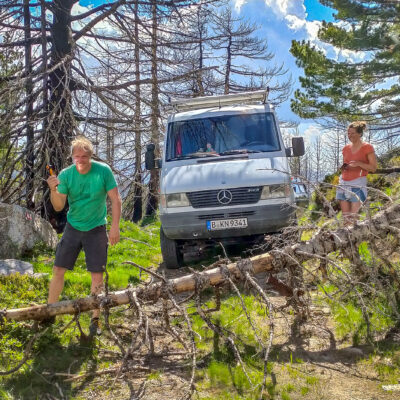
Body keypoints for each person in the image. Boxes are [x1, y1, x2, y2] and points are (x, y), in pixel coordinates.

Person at [44, 136, 122, 335]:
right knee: (58, 268)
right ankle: (49, 312)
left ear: (90, 156)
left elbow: (115, 199)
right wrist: (53, 188)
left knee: (97, 274)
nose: (80, 160)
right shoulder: (66, 174)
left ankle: (95, 319)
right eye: (76, 156)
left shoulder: (103, 171)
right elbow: (59, 205)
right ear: (72, 157)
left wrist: (115, 227)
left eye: (84, 156)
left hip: (96, 228)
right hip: (73, 226)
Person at [336, 121, 377, 225]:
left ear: (360, 133)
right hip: (343, 184)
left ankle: (356, 238)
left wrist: (359, 163)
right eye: (348, 134)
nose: (350, 136)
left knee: (353, 219)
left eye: (353, 133)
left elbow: (373, 168)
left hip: (358, 184)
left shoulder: (367, 147)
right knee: (346, 219)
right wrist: (343, 167)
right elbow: (346, 164)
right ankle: (347, 240)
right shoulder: (345, 149)